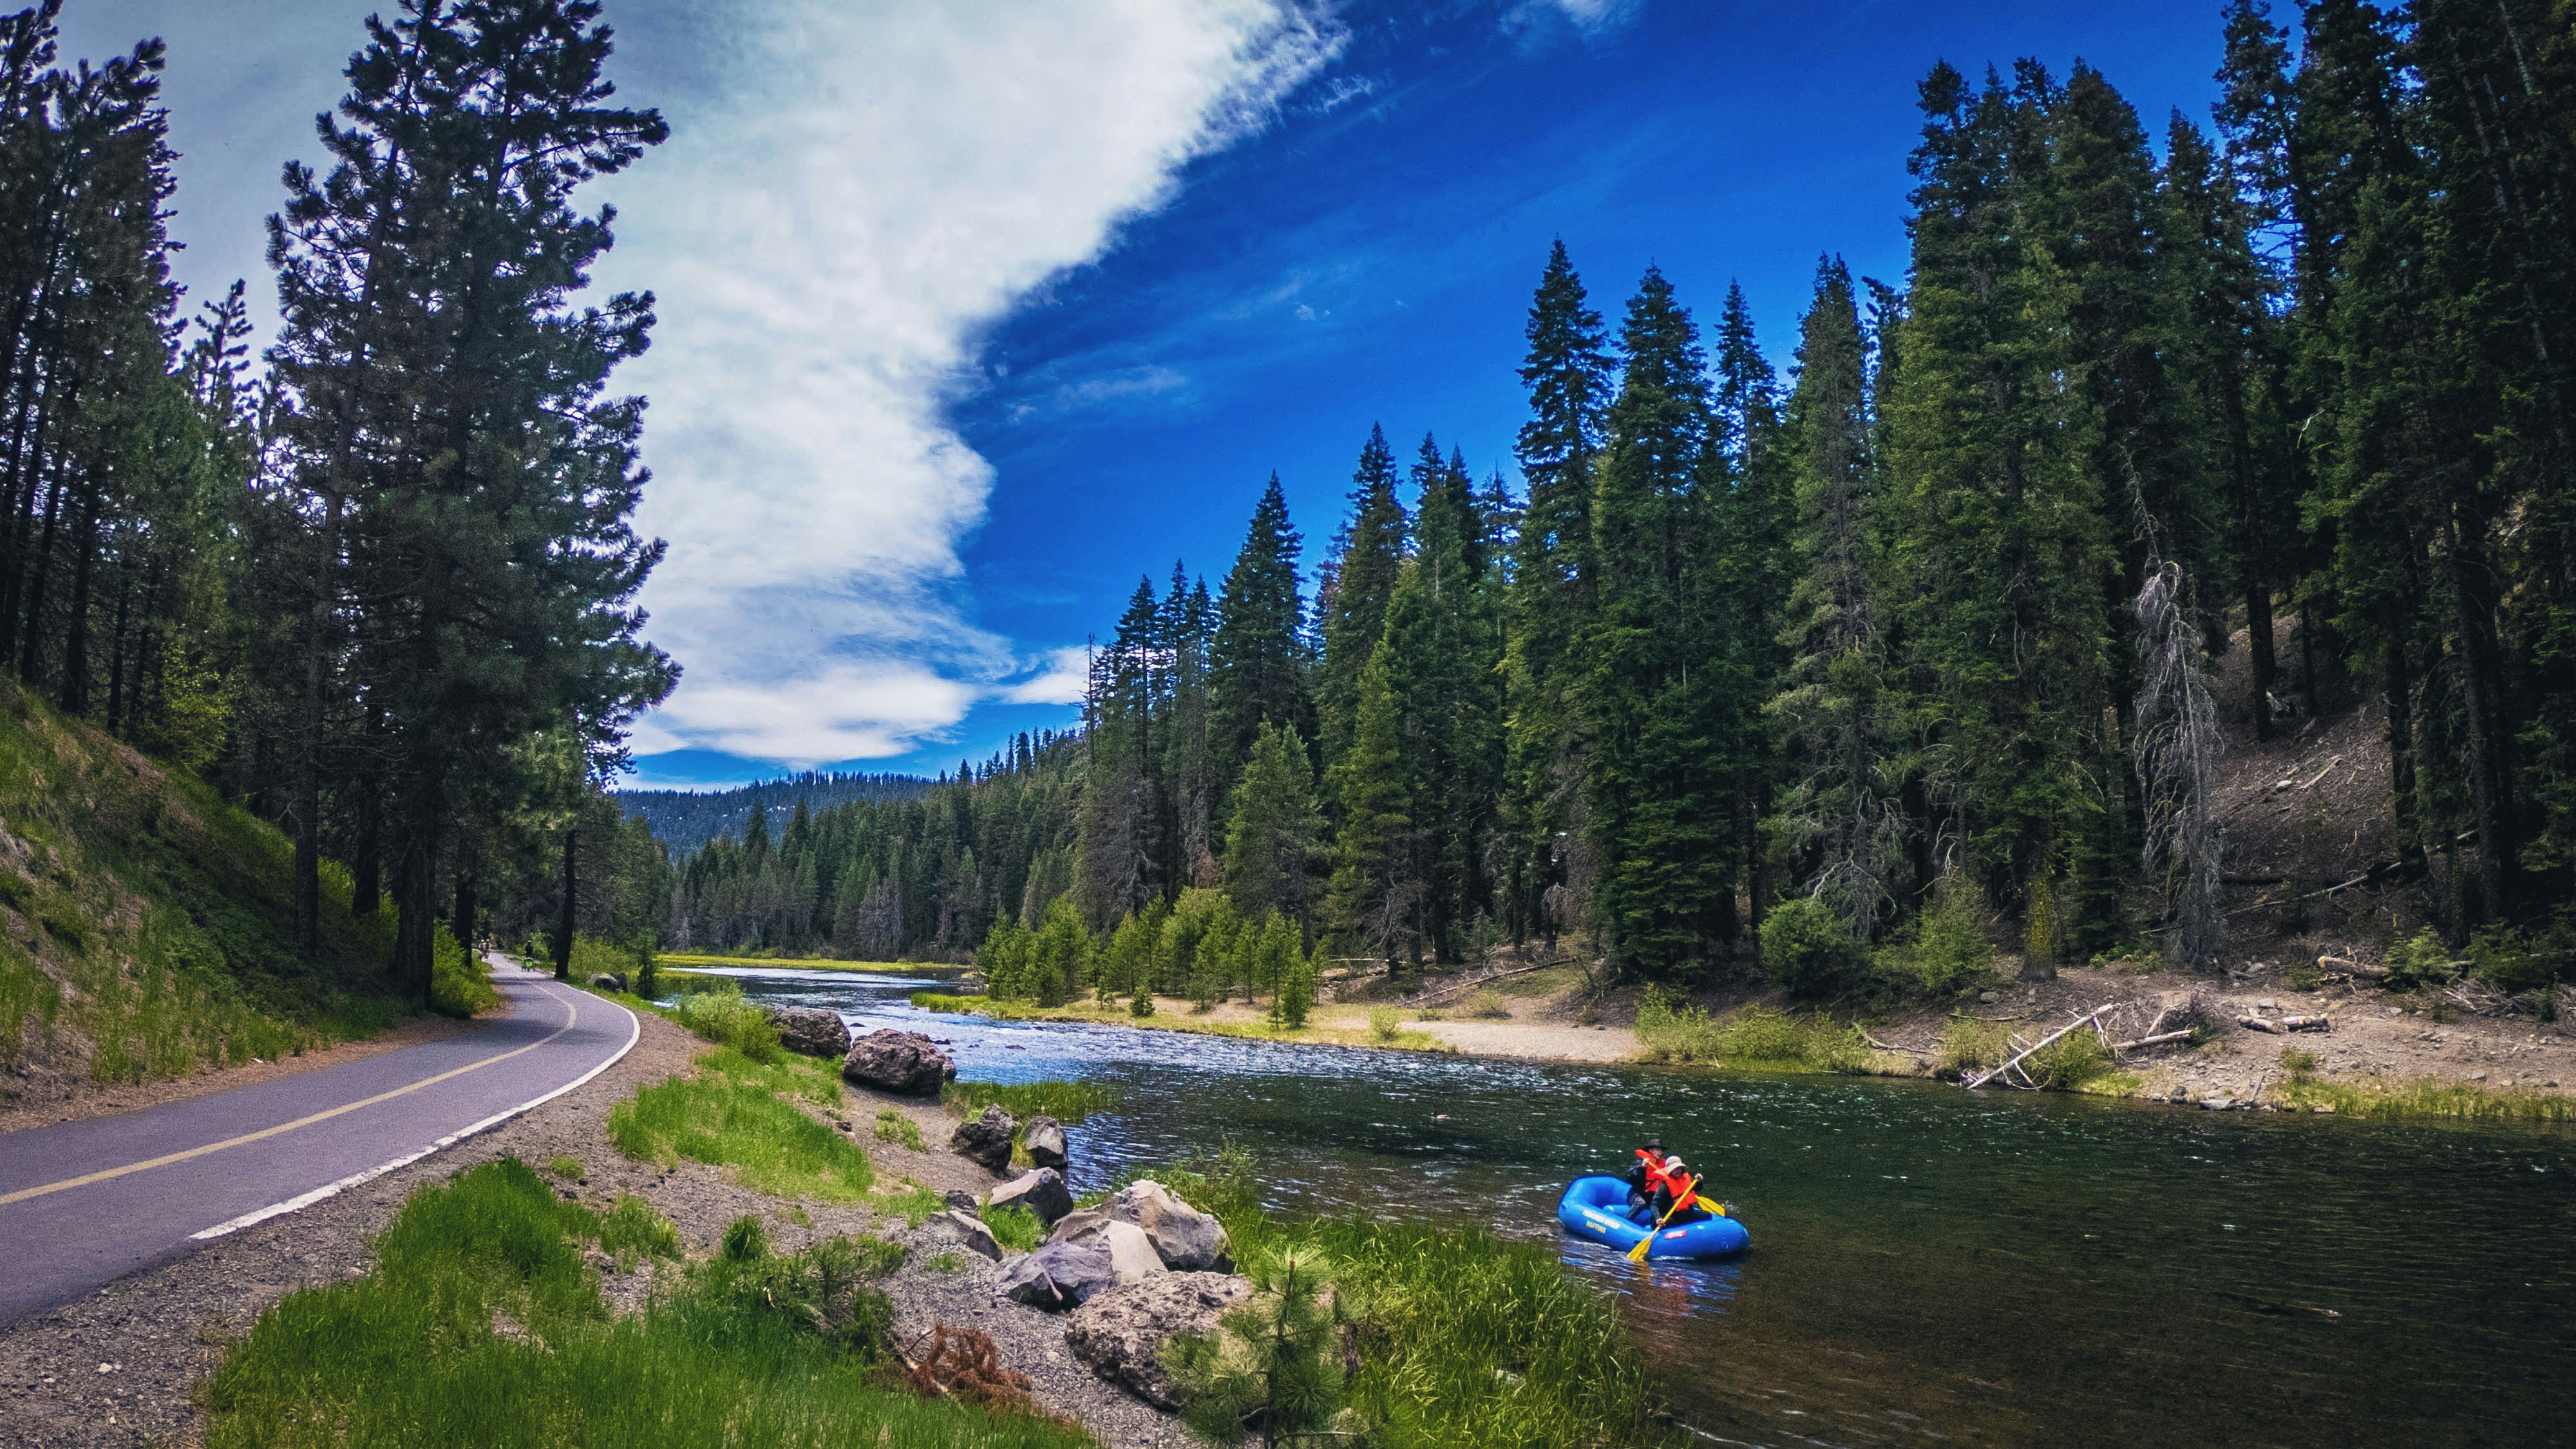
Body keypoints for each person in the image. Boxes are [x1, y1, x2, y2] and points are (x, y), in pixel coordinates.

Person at [1624, 1138, 1667, 1217]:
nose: (1660, 1152)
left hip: (1652, 1197)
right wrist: (1642, 1167)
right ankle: (1626, 1220)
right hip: (1637, 1194)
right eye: (1658, 1150)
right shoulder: (1640, 1162)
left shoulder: (1663, 1165)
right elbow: (1630, 1178)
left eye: (1661, 1150)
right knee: (1641, 1203)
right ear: (1651, 1150)